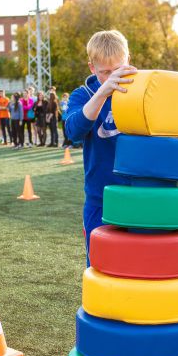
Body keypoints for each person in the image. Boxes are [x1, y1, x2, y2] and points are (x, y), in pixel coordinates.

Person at [65, 29, 137, 264]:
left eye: (117, 70)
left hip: (142, 195)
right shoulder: (83, 94)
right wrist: (102, 94)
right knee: (99, 265)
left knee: (139, 265)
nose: (112, 77)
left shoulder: (142, 89)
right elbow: (73, 132)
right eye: (105, 72)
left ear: (128, 61)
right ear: (92, 68)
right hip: (101, 198)